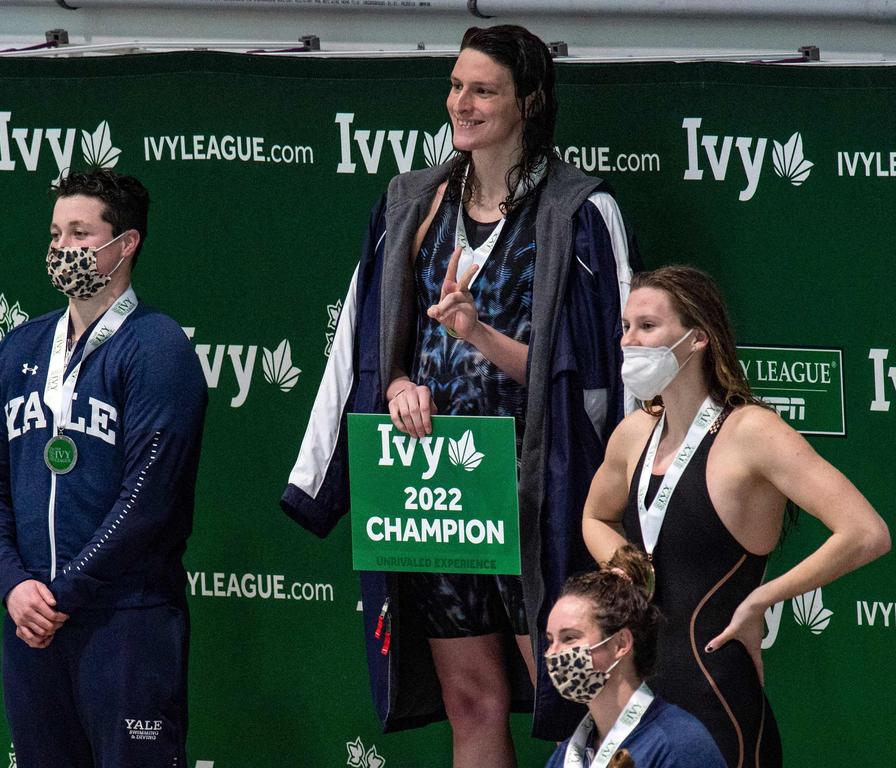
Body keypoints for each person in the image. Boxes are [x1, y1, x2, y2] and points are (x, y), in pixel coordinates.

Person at [282, 24, 635, 765]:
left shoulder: (577, 212)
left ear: (530, 101)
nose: (461, 103)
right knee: (468, 701)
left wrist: (478, 336)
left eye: (483, 89)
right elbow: (368, 344)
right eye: (454, 85)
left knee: (571, 698)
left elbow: (604, 366)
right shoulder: (414, 202)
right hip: (437, 495)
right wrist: (403, 386)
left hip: (538, 493)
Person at [582, 265, 890, 768]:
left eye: (647, 326)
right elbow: (595, 516)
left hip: (716, 695)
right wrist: (627, 564)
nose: (628, 341)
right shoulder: (634, 431)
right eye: (625, 326)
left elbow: (867, 532)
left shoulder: (753, 432)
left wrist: (762, 599)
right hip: (638, 691)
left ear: (698, 337)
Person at [0, 168, 208, 768]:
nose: (62, 249)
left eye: (80, 233)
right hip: (29, 622)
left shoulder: (156, 348)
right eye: (55, 233)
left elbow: (148, 499)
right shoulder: (18, 347)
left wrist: (64, 592)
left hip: (125, 619)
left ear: (125, 244)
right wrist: (14, 586)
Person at [544, 545, 727, 768]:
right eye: (550, 640)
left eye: (570, 638)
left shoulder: (679, 745)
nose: (553, 653)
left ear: (620, 643)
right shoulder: (566, 757)